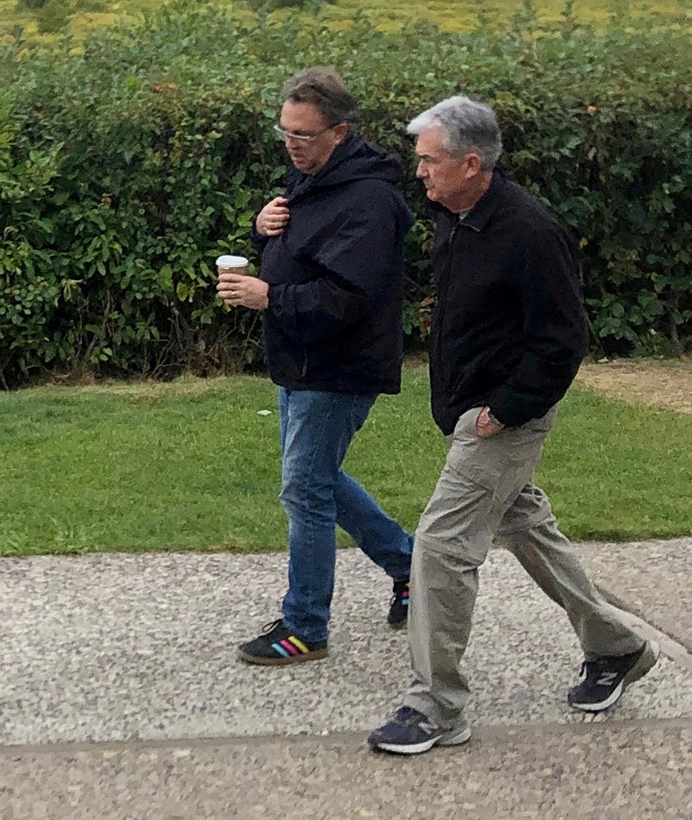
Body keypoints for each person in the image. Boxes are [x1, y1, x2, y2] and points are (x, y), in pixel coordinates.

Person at [367, 95, 657, 756]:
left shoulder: (530, 231)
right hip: (471, 411)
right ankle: (616, 648)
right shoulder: (454, 213)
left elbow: (562, 339)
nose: (420, 174)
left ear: (473, 163)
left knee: (440, 547)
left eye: (429, 161)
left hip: (502, 419)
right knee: (525, 522)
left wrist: (505, 410)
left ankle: (437, 705)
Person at [218, 67, 415, 666]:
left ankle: (305, 627)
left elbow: (348, 297)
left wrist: (268, 297)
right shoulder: (312, 179)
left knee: (304, 489)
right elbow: (299, 250)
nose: (291, 145)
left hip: (339, 365)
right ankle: (412, 568)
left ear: (340, 131)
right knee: (319, 481)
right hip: (299, 359)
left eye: (303, 136)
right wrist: (264, 229)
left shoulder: (371, 199)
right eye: (284, 133)